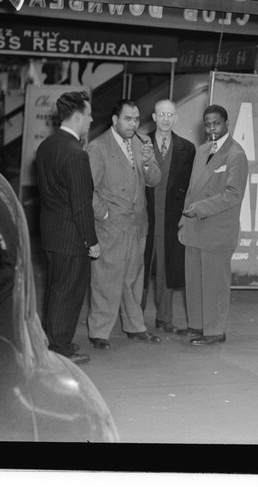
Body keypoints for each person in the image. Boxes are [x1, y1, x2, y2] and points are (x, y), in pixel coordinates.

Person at [85, 99, 162, 349]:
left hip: (138, 224)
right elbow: (89, 189)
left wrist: (149, 162)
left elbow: (154, 180)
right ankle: (99, 332)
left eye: (137, 119)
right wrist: (104, 215)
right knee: (106, 279)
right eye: (128, 119)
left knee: (133, 278)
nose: (133, 124)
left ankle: (134, 326)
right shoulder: (97, 148)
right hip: (111, 225)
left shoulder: (142, 143)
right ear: (115, 120)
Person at [34, 90, 100, 365]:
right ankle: (60, 349)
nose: (91, 119)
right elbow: (81, 204)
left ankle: (54, 341)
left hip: (51, 232)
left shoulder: (46, 146)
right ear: (76, 117)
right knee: (69, 292)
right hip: (71, 235)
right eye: (88, 114)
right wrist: (91, 241)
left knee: (55, 290)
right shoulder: (75, 154)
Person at [178, 104, 249, 345]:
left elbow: (233, 194)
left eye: (216, 123)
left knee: (215, 284)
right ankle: (198, 325)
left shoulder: (236, 154)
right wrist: (183, 220)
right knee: (196, 281)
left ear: (227, 123)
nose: (211, 129)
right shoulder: (202, 150)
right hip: (195, 227)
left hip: (217, 230)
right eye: (207, 124)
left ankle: (215, 331)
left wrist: (199, 209)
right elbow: (191, 190)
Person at [143, 98, 196, 335]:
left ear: (175, 118)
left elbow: (190, 187)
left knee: (166, 269)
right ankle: (135, 319)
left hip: (170, 219)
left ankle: (164, 319)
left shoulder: (187, 148)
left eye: (169, 115)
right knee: (140, 270)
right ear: (154, 117)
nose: (165, 118)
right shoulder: (140, 143)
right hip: (144, 217)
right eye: (160, 114)